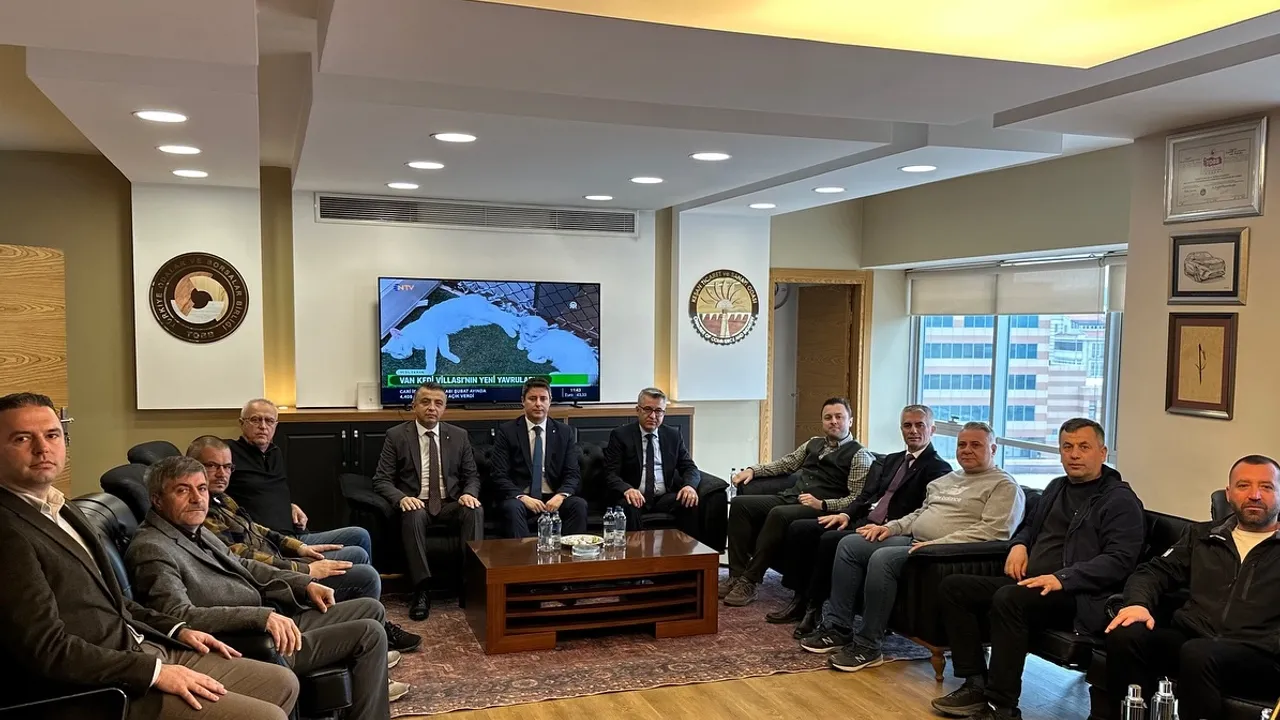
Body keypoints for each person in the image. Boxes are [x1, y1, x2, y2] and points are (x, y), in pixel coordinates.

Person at [0, 392, 299, 720]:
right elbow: (46, 649)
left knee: (283, 682)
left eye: (52, 435)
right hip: (102, 684)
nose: (42, 448)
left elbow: (115, 602)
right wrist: (153, 672)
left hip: (143, 643)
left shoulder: (62, 507)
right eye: (22, 438)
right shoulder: (8, 530)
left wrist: (177, 630)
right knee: (267, 716)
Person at [126, 456, 409, 716]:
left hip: (273, 617)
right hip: (249, 640)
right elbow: (178, 616)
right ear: (157, 500)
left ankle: (364, 700)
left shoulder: (194, 530)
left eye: (201, 489)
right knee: (370, 633)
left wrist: (304, 583)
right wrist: (260, 617)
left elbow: (244, 565)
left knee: (370, 609)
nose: (197, 498)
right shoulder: (151, 548)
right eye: (182, 490)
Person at [931, 418, 1143, 719]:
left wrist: (1062, 578)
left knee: (1009, 598)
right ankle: (976, 683)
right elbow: (1030, 526)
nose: (1074, 454)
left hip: (1079, 595)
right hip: (1034, 584)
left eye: (1084, 447)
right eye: (1067, 447)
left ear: (1103, 452)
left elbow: (1120, 560)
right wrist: (1019, 545)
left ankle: (1001, 706)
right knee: (954, 588)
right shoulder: (1057, 487)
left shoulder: (1119, 500)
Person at [801, 422, 1025, 675]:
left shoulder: (1003, 486)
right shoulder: (947, 480)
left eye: (976, 445)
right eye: (962, 444)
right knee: (850, 544)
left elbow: (994, 531)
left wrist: (937, 544)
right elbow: (920, 514)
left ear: (993, 449)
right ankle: (838, 627)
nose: (966, 450)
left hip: (947, 555)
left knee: (883, 558)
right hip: (916, 541)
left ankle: (868, 645)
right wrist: (890, 528)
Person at [188, 436, 421, 651]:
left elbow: (257, 529)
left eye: (227, 467)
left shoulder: (222, 497)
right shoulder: (200, 511)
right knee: (366, 575)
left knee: (358, 546)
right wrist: (305, 569)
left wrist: (299, 547)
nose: (222, 473)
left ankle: (370, 630)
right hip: (271, 578)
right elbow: (240, 557)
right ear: (193, 466)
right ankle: (365, 639)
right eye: (212, 466)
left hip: (281, 555)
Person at [1105, 454, 1280, 720]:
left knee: (1198, 653)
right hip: (1194, 636)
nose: (1254, 495)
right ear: (1229, 493)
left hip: (1260, 653)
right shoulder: (1202, 536)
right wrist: (1138, 604)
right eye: (1244, 485)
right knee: (1125, 634)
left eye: (1266, 487)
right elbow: (1153, 572)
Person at [769, 405, 952, 635]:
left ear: (932, 430)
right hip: (864, 519)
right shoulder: (892, 460)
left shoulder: (938, 469)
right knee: (801, 529)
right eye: (907, 425)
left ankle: (814, 608)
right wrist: (845, 514)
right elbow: (866, 495)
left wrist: (888, 527)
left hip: (889, 529)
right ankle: (800, 599)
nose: (913, 430)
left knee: (829, 540)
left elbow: (925, 511)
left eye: (919, 425)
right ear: (901, 429)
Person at [721, 397, 876, 607]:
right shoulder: (814, 443)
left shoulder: (860, 455)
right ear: (822, 421)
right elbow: (786, 464)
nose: (833, 421)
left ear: (850, 421)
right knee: (741, 504)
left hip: (822, 508)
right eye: (828, 417)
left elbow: (857, 499)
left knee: (778, 514)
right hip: (792, 497)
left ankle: (750, 581)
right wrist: (753, 470)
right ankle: (736, 575)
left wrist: (822, 504)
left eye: (839, 417)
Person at [372, 381, 483, 621]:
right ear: (414, 406)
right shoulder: (396, 435)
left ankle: (469, 585)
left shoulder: (459, 436)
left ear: (444, 408)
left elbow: (472, 476)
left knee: (474, 510)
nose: (432, 407)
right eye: (425, 402)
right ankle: (421, 589)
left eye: (438, 403)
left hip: (449, 503)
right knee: (413, 513)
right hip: (417, 503)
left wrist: (469, 494)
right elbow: (381, 480)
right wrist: (402, 498)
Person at [224, 398, 373, 556]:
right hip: (269, 544)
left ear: (276, 426)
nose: (263, 426)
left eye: (269, 421)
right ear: (242, 423)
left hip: (295, 536)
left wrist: (290, 505)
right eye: (255, 420)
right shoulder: (228, 454)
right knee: (357, 554)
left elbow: (269, 493)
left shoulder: (275, 453)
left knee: (360, 535)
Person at [490, 378, 587, 539]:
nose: (538, 404)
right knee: (512, 508)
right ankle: (523, 555)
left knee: (578, 505)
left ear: (550, 401)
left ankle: (568, 555)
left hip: (553, 497)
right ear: (523, 401)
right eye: (532, 398)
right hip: (521, 498)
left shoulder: (564, 432)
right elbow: (499, 475)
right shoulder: (507, 431)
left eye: (543, 399)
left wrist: (561, 496)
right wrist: (522, 497)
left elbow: (573, 473)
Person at [603, 387, 701, 537]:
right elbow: (610, 473)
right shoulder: (621, 435)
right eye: (648, 409)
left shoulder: (673, 436)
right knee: (628, 506)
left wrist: (689, 486)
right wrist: (627, 489)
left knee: (689, 501)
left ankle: (686, 550)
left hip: (664, 497)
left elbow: (690, 467)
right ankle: (636, 551)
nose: (653, 416)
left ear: (664, 413)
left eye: (658, 411)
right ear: (638, 410)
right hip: (633, 496)